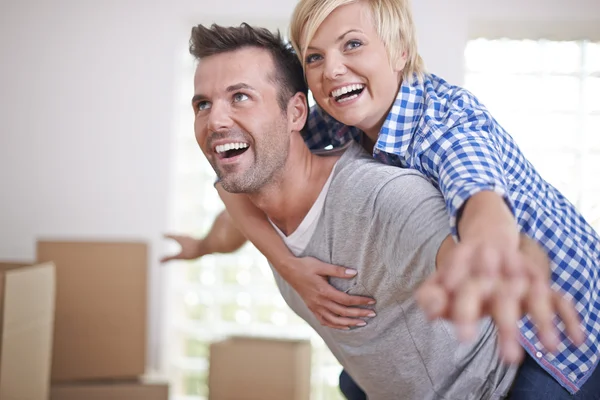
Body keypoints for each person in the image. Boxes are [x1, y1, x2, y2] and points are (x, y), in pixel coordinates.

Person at [166, 0, 600, 397]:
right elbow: (239, 179)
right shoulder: (325, 121)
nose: (332, 69)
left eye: (352, 44)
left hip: (565, 310)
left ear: (400, 52)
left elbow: (480, 199)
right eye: (314, 57)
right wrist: (282, 263)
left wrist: (489, 252)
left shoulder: (447, 123)